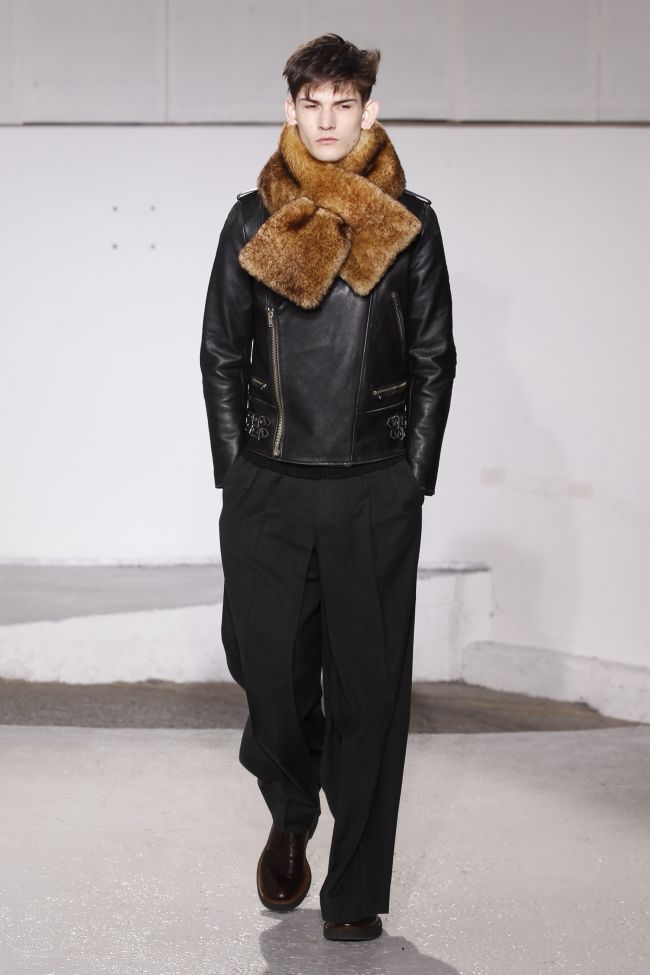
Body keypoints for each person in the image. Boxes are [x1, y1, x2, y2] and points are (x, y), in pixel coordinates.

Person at [200, 33, 456, 942]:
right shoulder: (252, 218)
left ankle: (354, 894)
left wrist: (411, 477)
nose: (328, 119)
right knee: (267, 674)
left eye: (344, 103)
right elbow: (220, 351)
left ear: (368, 112)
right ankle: (291, 804)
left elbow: (434, 356)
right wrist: (236, 472)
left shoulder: (409, 224)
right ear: (292, 111)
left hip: (371, 489)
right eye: (313, 103)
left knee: (371, 696)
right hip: (271, 484)